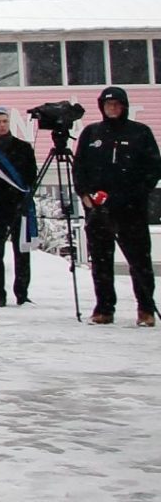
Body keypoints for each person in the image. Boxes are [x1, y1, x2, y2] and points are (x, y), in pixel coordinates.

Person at [75, 85, 160, 327]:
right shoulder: (92, 133)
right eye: (107, 104)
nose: (112, 108)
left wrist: (135, 194)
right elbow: (79, 167)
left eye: (116, 104)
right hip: (98, 209)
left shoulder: (140, 133)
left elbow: (153, 169)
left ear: (124, 107)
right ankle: (104, 308)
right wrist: (84, 194)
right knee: (101, 261)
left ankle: (145, 308)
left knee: (139, 261)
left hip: (131, 209)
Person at [0, 109, 39, 308]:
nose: (2, 125)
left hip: (18, 205)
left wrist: (25, 198)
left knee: (22, 252)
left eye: (4, 121)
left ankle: (22, 294)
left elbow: (31, 176)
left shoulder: (23, 148)